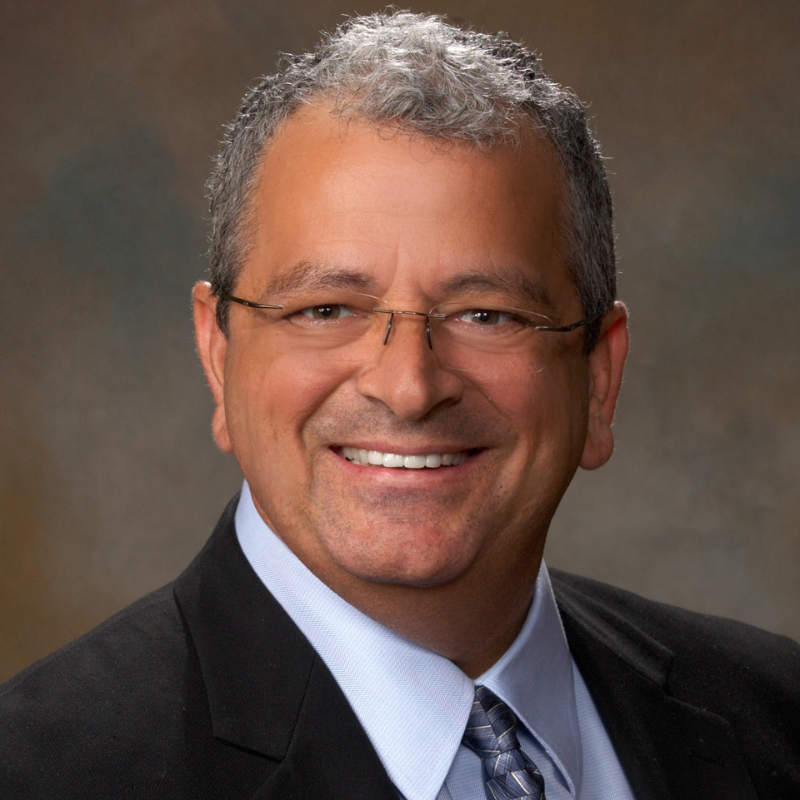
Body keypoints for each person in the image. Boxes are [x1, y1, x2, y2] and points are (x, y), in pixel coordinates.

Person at [1, 11, 797, 800]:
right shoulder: (44, 773)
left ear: (597, 378)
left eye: (488, 314)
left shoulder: (776, 718)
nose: (409, 387)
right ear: (219, 355)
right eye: (326, 309)